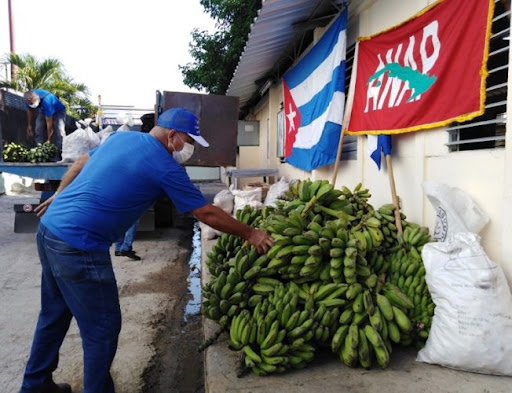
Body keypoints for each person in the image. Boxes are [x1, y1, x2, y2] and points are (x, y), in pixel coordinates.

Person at [19, 107, 273, 393]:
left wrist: (59, 196)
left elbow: (80, 163)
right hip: (80, 245)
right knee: (102, 330)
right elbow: (206, 212)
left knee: (53, 314)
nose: (189, 150)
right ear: (173, 136)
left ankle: (35, 385)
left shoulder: (119, 139)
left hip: (50, 231)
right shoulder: (164, 165)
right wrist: (251, 233)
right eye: (189, 143)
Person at [24, 90, 66, 160]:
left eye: (32, 103)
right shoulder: (28, 98)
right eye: (30, 103)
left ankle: (60, 153)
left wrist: (49, 139)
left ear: (37, 99)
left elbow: (49, 124)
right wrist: (29, 125)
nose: (31, 104)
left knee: (59, 130)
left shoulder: (47, 101)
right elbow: (30, 110)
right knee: (38, 128)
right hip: (43, 111)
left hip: (59, 111)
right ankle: (39, 151)